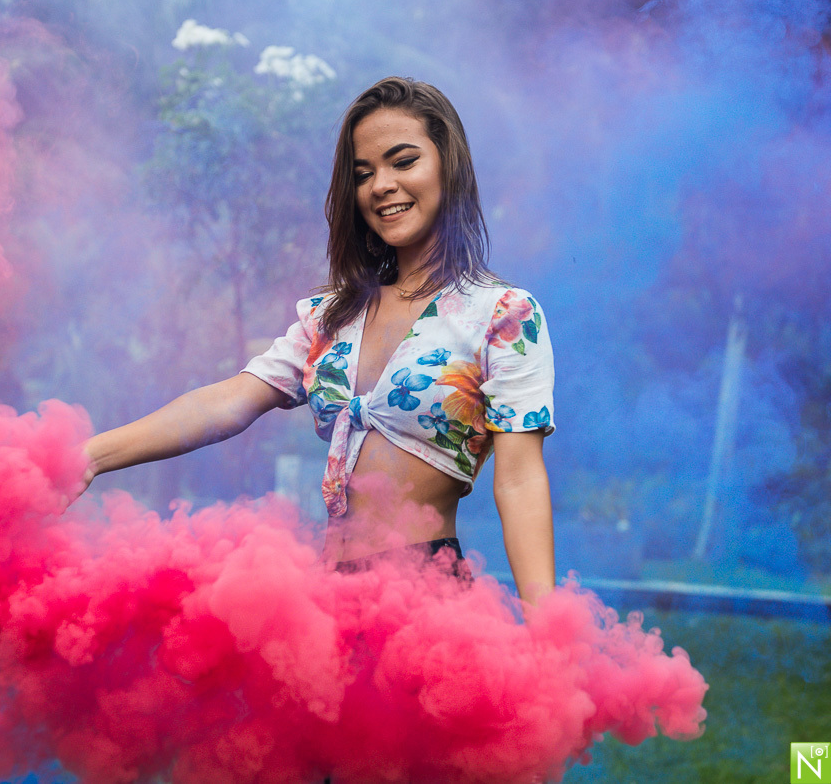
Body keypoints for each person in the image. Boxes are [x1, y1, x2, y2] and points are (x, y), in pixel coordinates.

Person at [81, 76, 556, 604]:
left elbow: (518, 481)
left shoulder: (503, 314)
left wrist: (548, 635)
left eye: (403, 162)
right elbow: (228, 402)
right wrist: (90, 458)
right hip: (328, 598)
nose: (381, 185)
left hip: (424, 600)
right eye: (363, 173)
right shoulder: (333, 315)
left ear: (448, 167)